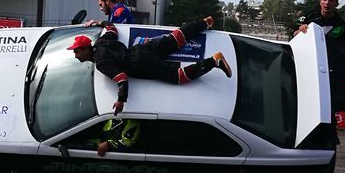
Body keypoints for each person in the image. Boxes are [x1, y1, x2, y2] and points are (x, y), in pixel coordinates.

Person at [67, 15, 231, 115]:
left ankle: (214, 61)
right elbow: (112, 28)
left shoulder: (101, 62)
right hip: (141, 50)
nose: (76, 55)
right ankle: (205, 23)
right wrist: (99, 22)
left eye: (77, 51)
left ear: (86, 49)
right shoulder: (102, 41)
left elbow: (122, 78)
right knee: (174, 39)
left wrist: (120, 100)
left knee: (178, 76)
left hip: (142, 64)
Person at [296, 0, 345, 114]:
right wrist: (301, 31)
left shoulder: (341, 25)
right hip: (307, 70)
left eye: (331, 0)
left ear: (336, 4)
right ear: (320, 1)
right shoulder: (309, 18)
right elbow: (294, 34)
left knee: (327, 112)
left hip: (330, 73)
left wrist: (311, 33)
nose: (327, 3)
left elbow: (327, 42)